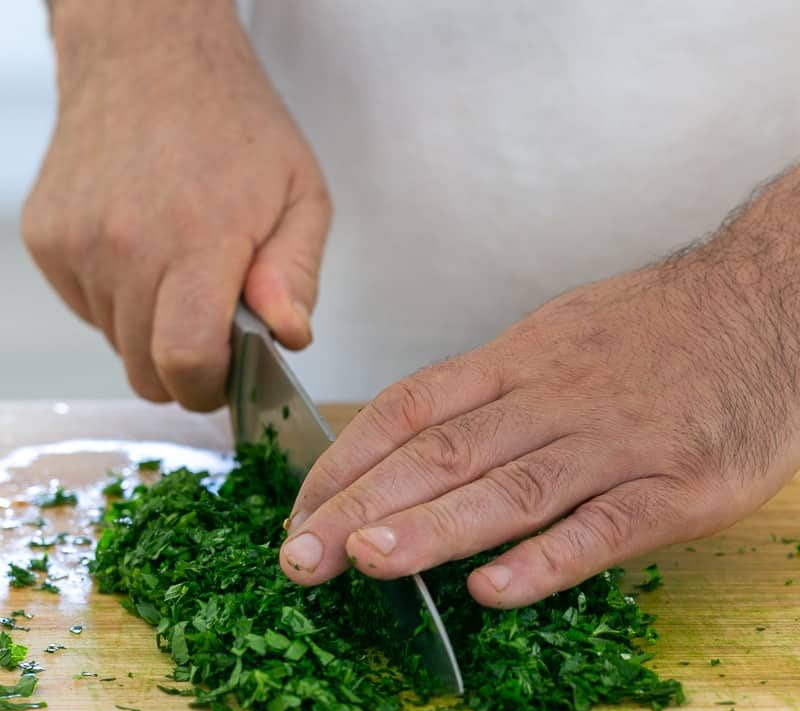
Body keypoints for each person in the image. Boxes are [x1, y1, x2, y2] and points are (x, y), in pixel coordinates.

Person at [25, 1, 800, 608]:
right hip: (336, 303)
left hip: (768, 405)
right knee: (339, 480)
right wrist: (132, 33)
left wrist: (763, 314)